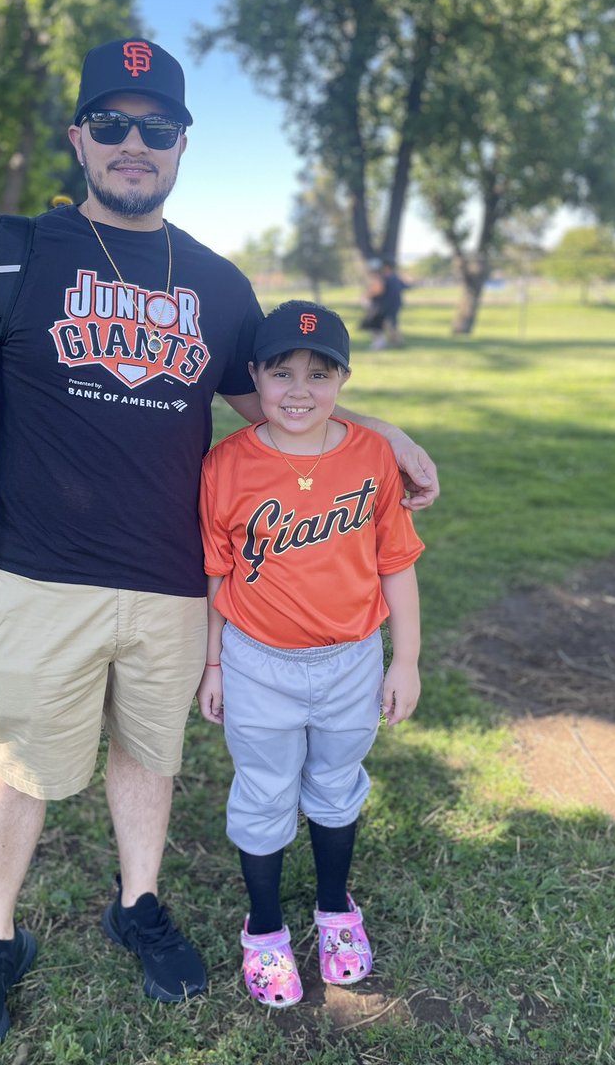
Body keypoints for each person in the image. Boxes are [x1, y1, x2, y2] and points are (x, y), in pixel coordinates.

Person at [0, 38, 438, 1061]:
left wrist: (382, 432)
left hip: (178, 580)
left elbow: (281, 402)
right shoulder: (15, 250)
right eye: (115, 124)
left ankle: (139, 905)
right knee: (20, 759)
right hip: (43, 568)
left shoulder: (219, 286)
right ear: (81, 135)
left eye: (158, 128)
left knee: (151, 752)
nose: (136, 144)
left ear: (182, 146)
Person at [196, 300, 423, 1008]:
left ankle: (334, 911)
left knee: (335, 782)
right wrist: (211, 665)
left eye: (319, 373)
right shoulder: (226, 464)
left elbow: (398, 564)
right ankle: (264, 930)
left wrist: (406, 658)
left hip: (352, 657)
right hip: (256, 658)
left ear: (344, 377)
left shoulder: (372, 455)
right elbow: (215, 573)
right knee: (263, 792)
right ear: (254, 378)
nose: (299, 389)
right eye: (281, 372)